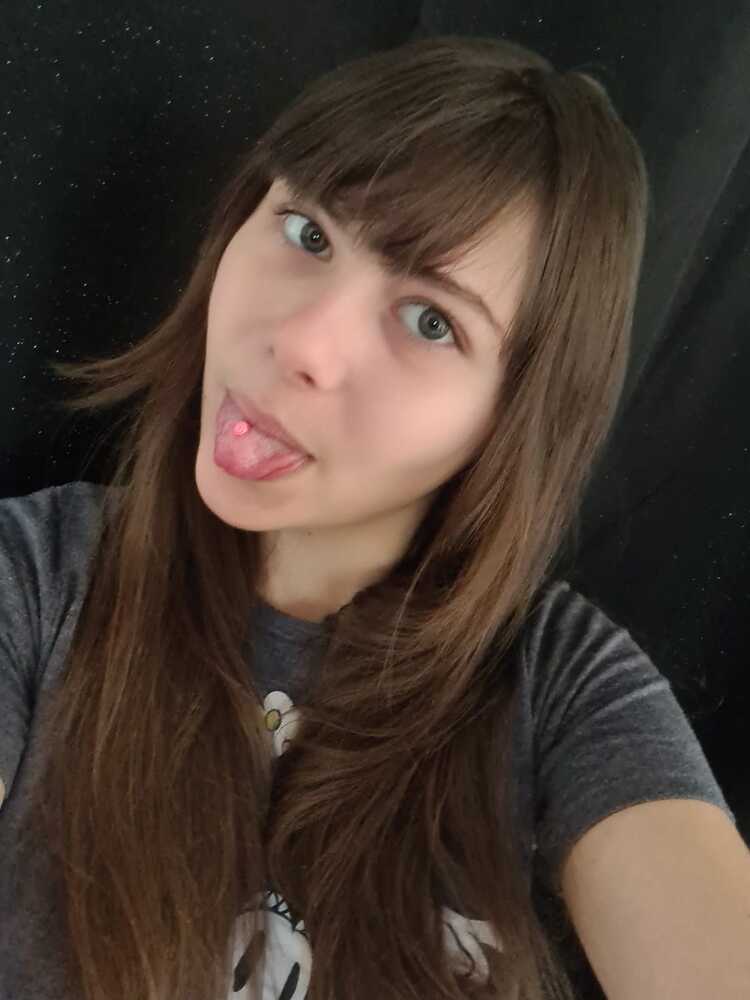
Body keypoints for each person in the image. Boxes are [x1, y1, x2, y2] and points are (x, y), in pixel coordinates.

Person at [0, 32, 746, 1000]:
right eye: (306, 232)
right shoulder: (38, 578)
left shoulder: (562, 694)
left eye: (432, 320)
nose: (301, 343)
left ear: (517, 416)